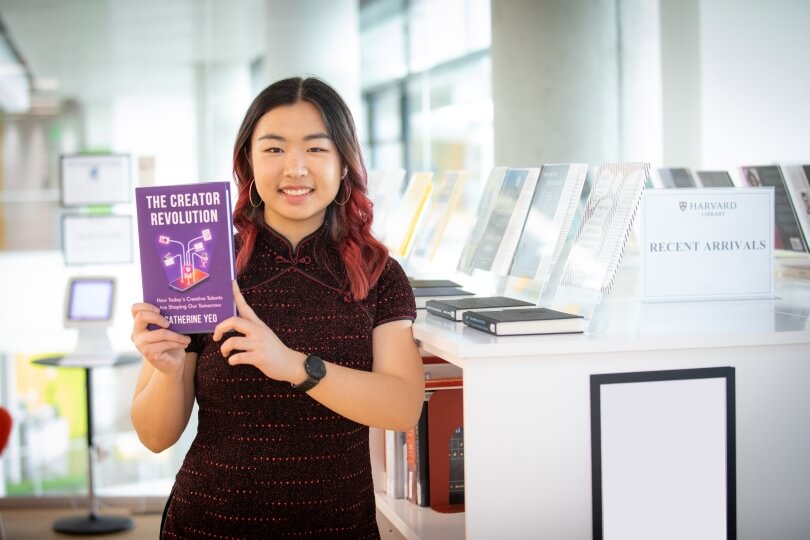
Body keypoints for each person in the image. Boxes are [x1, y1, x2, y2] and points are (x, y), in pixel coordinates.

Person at [130, 76, 424, 539]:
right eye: (273, 149)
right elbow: (153, 436)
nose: (295, 169)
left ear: (344, 164)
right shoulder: (204, 264)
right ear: (248, 160)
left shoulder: (377, 273)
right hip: (210, 524)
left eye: (315, 149)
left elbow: (403, 406)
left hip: (338, 527)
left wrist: (292, 365)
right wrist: (167, 372)